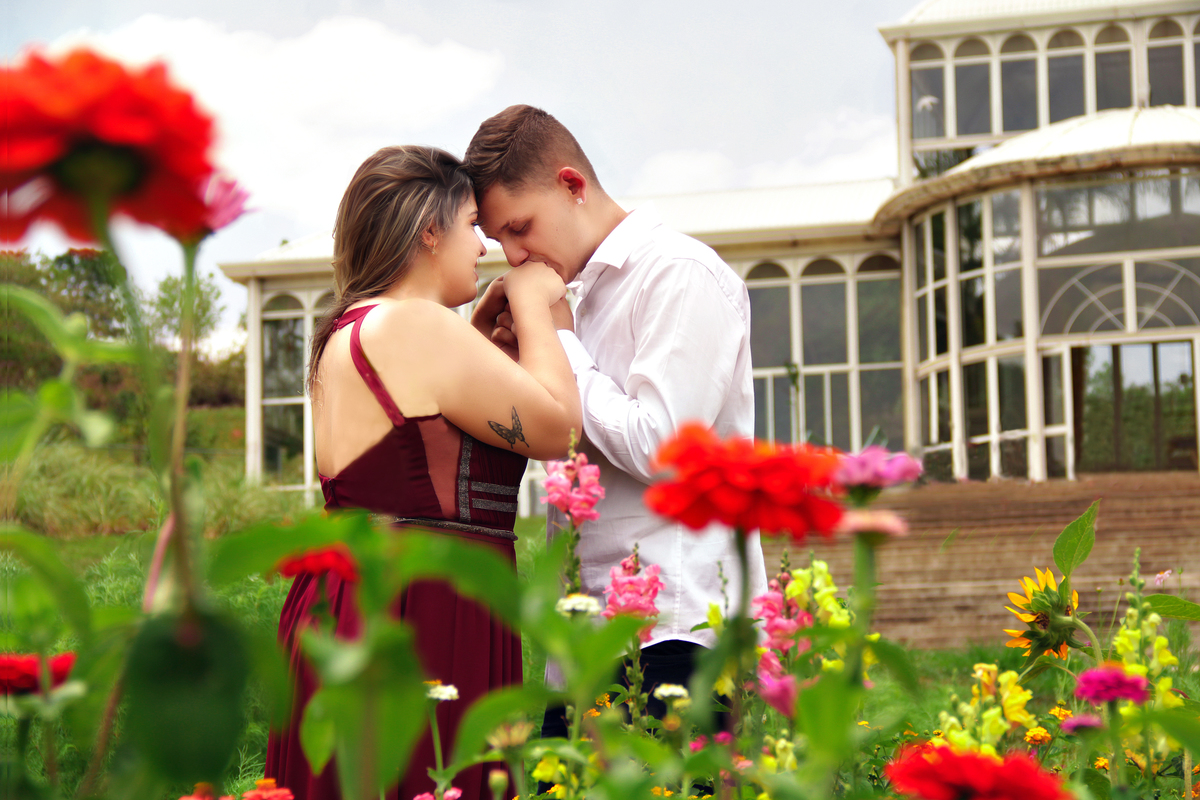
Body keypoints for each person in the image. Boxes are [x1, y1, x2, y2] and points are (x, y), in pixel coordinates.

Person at [265, 145, 581, 800]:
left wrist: (482, 338)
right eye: (471, 225)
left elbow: (425, 448)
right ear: (428, 231)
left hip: (356, 601)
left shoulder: (349, 330)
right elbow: (561, 428)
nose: (484, 247)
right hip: (420, 610)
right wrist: (533, 303)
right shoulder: (417, 325)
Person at [465, 106, 768, 736]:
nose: (515, 256)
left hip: (677, 634)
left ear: (572, 185)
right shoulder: (579, 299)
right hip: (588, 642)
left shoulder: (677, 274)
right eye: (500, 240)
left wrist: (561, 346)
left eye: (520, 228)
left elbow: (664, 449)